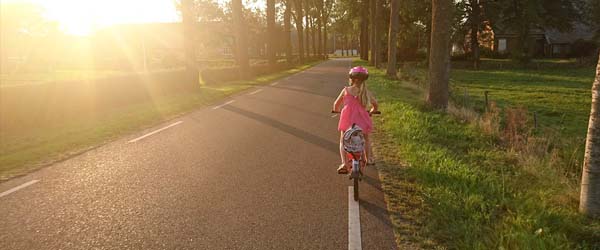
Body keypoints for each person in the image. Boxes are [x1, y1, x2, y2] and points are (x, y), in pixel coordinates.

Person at [332, 66, 378, 174]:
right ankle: (368, 158)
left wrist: (336, 111)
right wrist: (371, 111)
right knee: (366, 138)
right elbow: (375, 105)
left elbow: (335, 105)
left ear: (352, 79)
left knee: (343, 140)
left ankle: (344, 163)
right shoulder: (366, 93)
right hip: (362, 121)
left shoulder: (346, 90)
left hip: (347, 121)